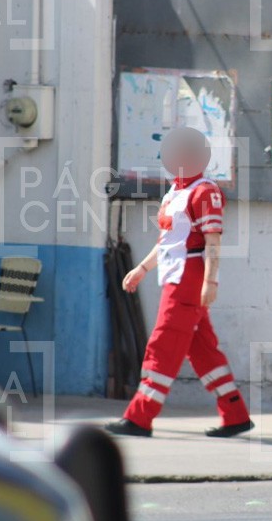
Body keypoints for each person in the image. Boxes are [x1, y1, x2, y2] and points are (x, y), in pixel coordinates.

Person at [104, 127, 254, 438]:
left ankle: (139, 418)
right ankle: (235, 414)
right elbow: (168, 241)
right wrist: (142, 269)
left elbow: (212, 241)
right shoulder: (175, 191)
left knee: (163, 345)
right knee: (203, 351)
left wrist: (210, 282)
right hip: (175, 275)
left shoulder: (205, 192)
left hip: (189, 277)